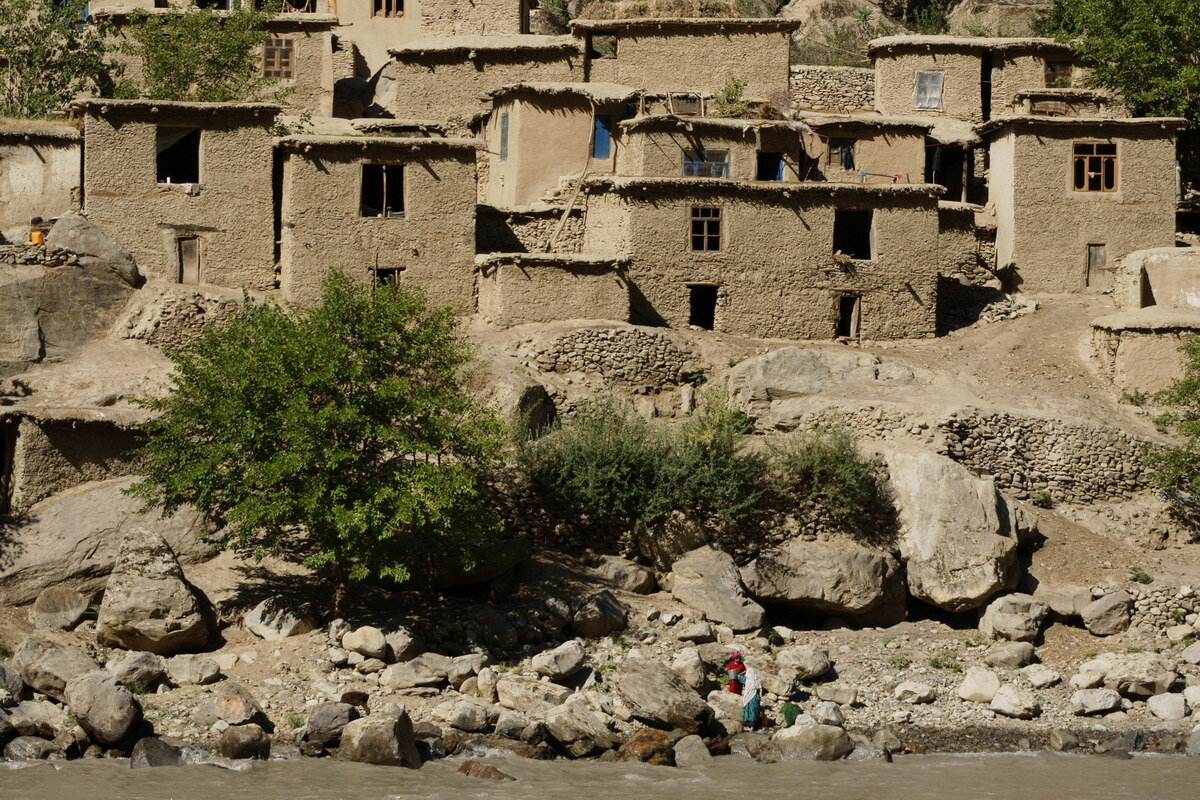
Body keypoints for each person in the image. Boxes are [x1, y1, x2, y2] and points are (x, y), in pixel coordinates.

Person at [739, 665, 763, 731]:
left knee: (749, 711)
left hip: (748, 698)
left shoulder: (747, 680)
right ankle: (754, 725)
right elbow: (759, 690)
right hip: (756, 697)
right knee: (755, 711)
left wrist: (743, 672)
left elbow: (739, 676)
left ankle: (750, 726)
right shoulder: (756, 680)